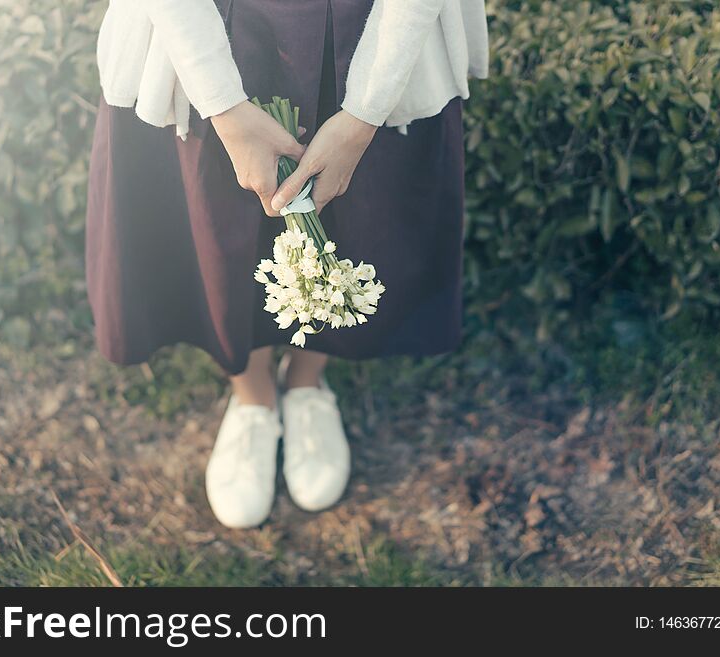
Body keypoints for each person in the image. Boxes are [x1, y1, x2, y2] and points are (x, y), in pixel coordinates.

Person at [86, 0, 489, 528]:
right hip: (205, 26)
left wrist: (364, 112)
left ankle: (306, 380)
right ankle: (253, 398)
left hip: (373, 26)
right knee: (218, 229)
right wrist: (224, 108)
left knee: (353, 219)